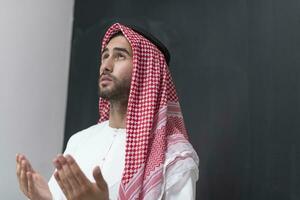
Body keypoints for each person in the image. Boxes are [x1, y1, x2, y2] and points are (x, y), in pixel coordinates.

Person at [16, 23, 199, 200]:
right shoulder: (79, 141)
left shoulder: (174, 157)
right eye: (105, 56)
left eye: (120, 56)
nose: (106, 66)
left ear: (146, 71)